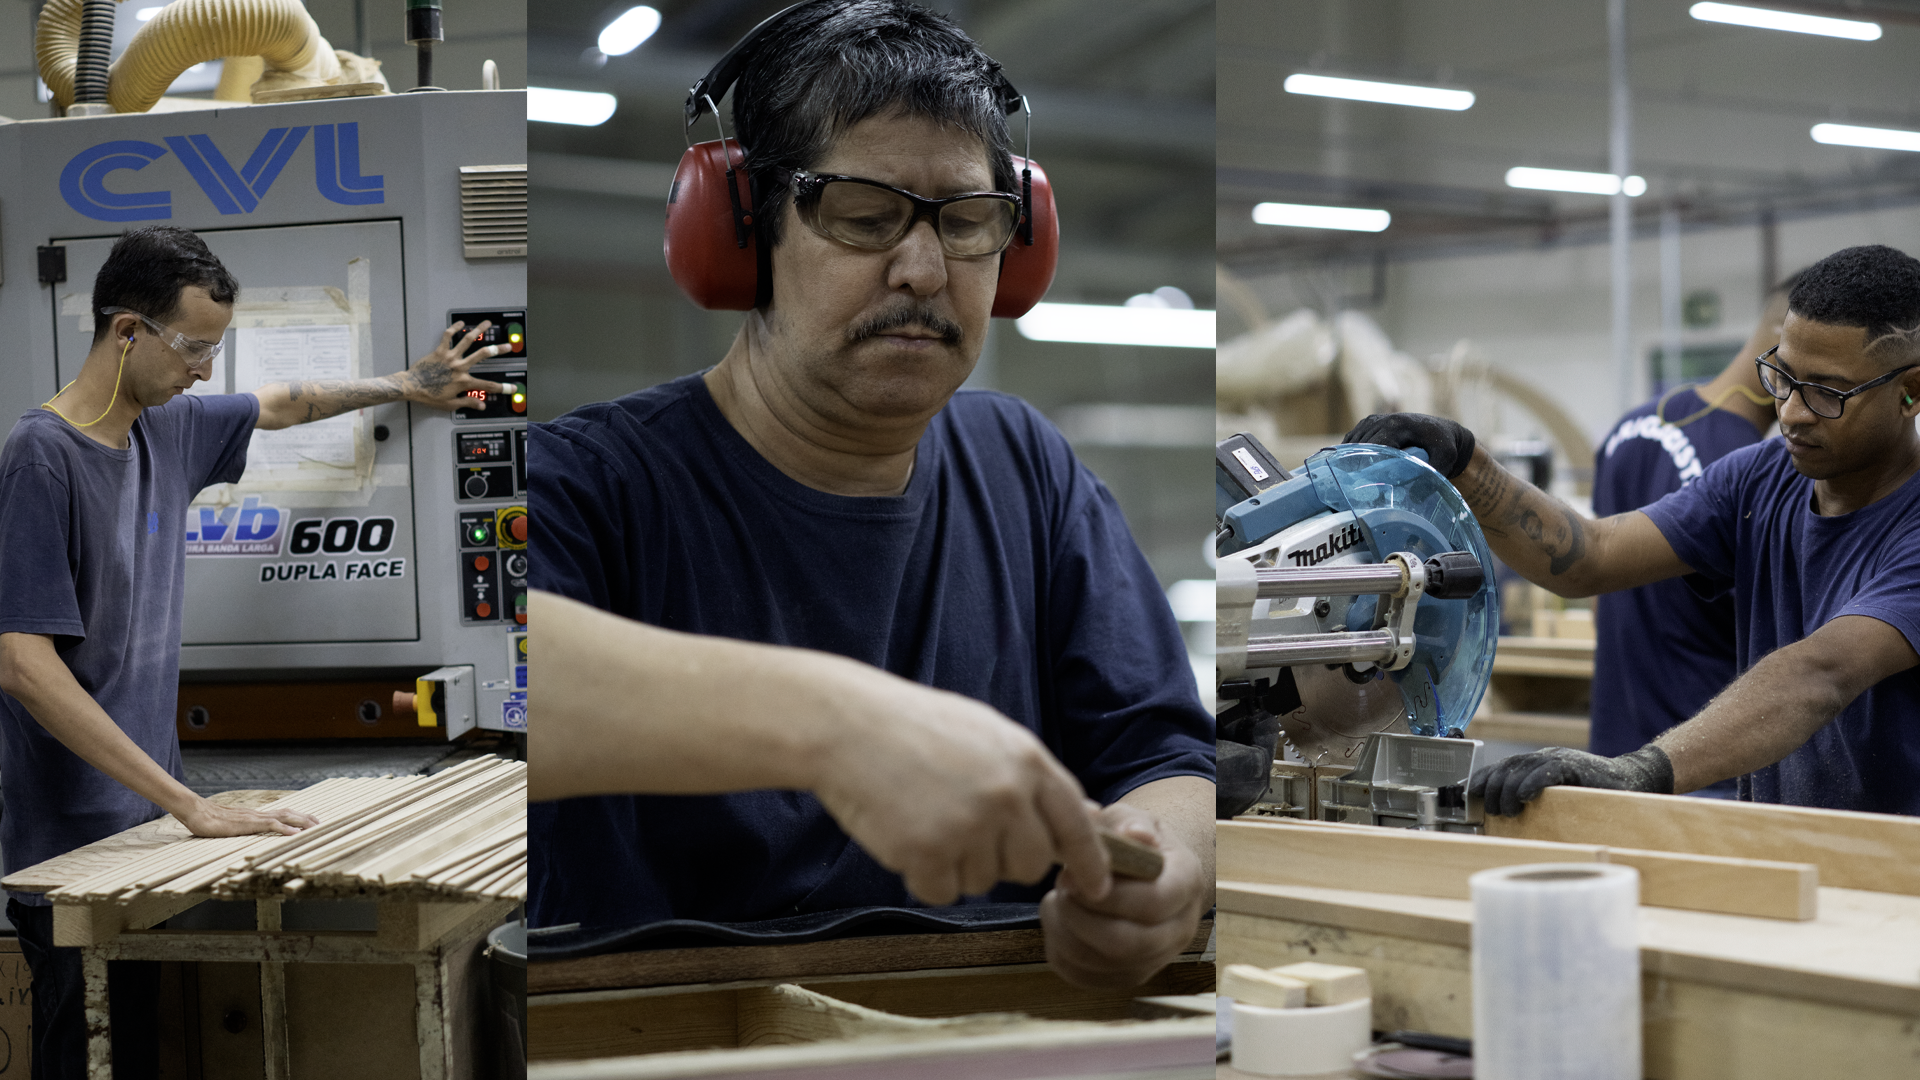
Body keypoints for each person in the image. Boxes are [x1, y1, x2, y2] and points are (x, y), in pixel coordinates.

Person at [526, 0, 1213, 991]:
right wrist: (842, 729)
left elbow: (1160, 750)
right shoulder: (589, 485)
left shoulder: (1027, 469)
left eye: (969, 223)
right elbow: (489, 681)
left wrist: (1172, 871)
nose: (924, 269)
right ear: (745, 230)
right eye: (864, 215)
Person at [0, 225, 507, 1079]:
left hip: (146, 832)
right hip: (69, 853)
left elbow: (284, 402)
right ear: (127, 331)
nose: (203, 370)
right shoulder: (41, 458)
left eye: (216, 349)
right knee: (85, 1055)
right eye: (193, 347)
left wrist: (404, 384)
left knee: (153, 1048)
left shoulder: (168, 430)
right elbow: (23, 664)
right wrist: (190, 805)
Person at [1345, 244, 1920, 818]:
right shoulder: (1758, 480)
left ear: (1911, 391)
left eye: (1827, 392)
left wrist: (1638, 770)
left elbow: (1823, 672)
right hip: (1789, 840)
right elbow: (1593, 555)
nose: (1792, 412)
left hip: (1896, 863)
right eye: (1784, 378)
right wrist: (1469, 465)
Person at [1587, 277, 1796, 796]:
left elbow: (1597, 583)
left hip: (1613, 749)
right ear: (1784, 336)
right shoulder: (1753, 472)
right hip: (1699, 759)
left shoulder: (1631, 425)